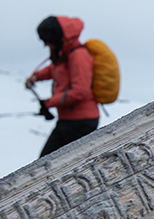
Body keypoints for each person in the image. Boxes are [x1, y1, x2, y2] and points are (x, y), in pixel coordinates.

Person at [25, 16, 99, 157]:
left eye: (47, 41)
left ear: (56, 37)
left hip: (81, 123)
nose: (46, 45)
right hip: (68, 120)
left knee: (52, 164)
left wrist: (49, 102)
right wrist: (36, 77)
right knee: (47, 163)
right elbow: (55, 69)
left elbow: (80, 91)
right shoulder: (64, 55)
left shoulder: (78, 55)